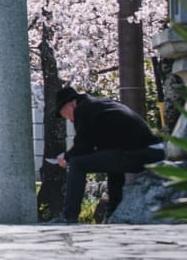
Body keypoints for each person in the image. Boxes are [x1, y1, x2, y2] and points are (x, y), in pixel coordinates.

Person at [52, 86, 164, 223]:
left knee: (77, 163)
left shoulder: (84, 109)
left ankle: (69, 216)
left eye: (66, 115)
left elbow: (83, 146)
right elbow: (107, 156)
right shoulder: (99, 105)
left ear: (71, 105)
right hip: (152, 152)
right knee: (111, 162)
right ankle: (113, 211)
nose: (70, 120)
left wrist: (66, 157)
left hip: (143, 152)